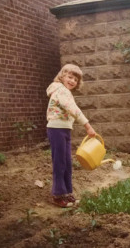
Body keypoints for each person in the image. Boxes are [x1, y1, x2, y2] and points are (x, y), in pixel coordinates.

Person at [46, 64, 96, 208]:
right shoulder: (60, 90)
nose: (72, 81)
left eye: (75, 79)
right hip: (56, 130)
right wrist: (87, 125)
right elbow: (73, 109)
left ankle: (67, 193)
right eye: (69, 77)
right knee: (60, 163)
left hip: (64, 130)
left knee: (67, 163)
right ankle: (57, 195)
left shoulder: (66, 92)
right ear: (62, 76)